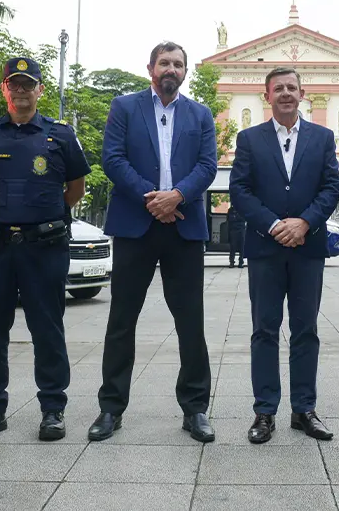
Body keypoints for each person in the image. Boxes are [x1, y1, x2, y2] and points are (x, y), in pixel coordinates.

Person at [0, 56, 90, 443]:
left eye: (27, 84)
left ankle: (53, 409)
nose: (20, 90)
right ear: (4, 89)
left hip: (43, 248)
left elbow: (75, 188)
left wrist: (43, 214)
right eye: (13, 84)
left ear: (39, 90)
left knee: (47, 329)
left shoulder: (60, 135)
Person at [89, 41, 218, 444]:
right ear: (150, 68)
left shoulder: (200, 114)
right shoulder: (125, 107)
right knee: (121, 321)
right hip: (135, 226)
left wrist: (176, 196)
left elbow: (207, 165)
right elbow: (113, 159)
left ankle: (195, 409)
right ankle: (111, 408)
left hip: (183, 227)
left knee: (190, 323)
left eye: (178, 64)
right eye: (164, 62)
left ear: (185, 72)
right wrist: (153, 197)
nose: (171, 69)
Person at [230, 66, 339, 444]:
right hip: (265, 248)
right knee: (264, 330)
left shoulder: (323, 137)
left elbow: (331, 188)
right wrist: (275, 224)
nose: (285, 93)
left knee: (305, 330)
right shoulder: (249, 139)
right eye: (278, 88)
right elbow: (240, 190)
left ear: (302, 93)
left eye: (291, 87)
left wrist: (305, 223)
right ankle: (264, 411)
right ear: (267, 96)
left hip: (308, 249)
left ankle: (304, 409)